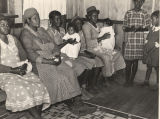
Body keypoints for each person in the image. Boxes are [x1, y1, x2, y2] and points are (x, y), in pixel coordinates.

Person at [20, 8, 96, 116]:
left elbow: (54, 45)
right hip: (39, 63)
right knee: (59, 77)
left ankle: (77, 103)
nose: (38, 20)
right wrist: (49, 61)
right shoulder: (25, 34)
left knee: (69, 71)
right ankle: (71, 103)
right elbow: (30, 54)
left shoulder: (41, 30)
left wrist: (56, 55)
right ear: (28, 20)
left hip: (52, 57)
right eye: (35, 18)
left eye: (38, 17)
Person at [0, 15, 50, 119]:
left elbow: (23, 56)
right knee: (23, 89)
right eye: (2, 25)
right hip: (4, 73)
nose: (6, 27)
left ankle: (33, 116)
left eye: (7, 25)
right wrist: (13, 70)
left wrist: (23, 65)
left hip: (19, 70)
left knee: (39, 86)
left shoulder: (13, 39)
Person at [82, 6, 126, 82]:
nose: (96, 18)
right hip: (91, 48)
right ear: (89, 17)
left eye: (97, 16)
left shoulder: (97, 25)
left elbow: (106, 37)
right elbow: (88, 42)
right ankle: (107, 75)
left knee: (117, 53)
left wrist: (112, 44)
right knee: (106, 57)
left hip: (100, 47)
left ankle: (109, 73)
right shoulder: (86, 26)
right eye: (94, 16)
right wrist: (102, 38)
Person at [123, 0, 150, 87]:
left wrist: (139, 28)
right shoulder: (128, 13)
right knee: (128, 62)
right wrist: (131, 28)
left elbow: (147, 28)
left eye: (140, 2)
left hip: (139, 41)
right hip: (130, 41)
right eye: (137, 2)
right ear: (134, 2)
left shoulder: (144, 13)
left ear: (142, 3)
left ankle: (131, 81)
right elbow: (124, 27)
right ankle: (127, 81)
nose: (138, 4)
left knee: (135, 61)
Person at [142, 10, 159, 88]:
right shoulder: (152, 28)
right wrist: (145, 48)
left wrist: (149, 52)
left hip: (155, 52)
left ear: (159, 19)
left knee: (157, 68)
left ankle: (158, 84)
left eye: (153, 19)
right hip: (149, 51)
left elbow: (157, 45)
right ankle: (146, 82)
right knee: (149, 67)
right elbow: (148, 38)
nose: (151, 21)